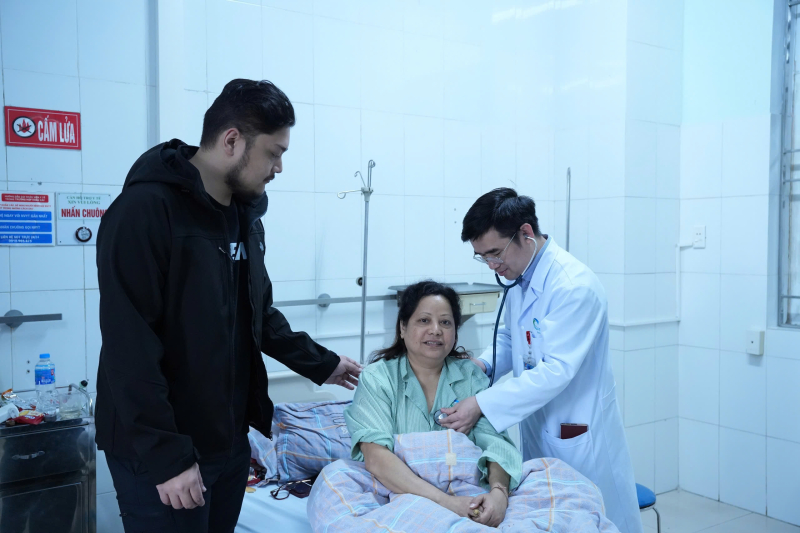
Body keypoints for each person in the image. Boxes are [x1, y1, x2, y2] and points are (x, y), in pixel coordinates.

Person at [95, 79, 362, 533]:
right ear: (232, 141)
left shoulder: (243, 217)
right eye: (274, 153)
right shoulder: (145, 211)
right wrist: (167, 456)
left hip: (228, 442)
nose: (279, 168)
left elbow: (259, 314)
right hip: (162, 449)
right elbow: (129, 345)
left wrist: (323, 363)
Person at [438, 188, 643, 533]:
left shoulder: (573, 287)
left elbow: (555, 370)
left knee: (592, 519)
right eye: (482, 258)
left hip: (578, 431)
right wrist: (483, 366)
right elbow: (512, 338)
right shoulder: (520, 277)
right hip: (540, 424)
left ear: (526, 233)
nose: (492, 265)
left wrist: (482, 403)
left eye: (495, 253)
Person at [344, 281, 522, 528]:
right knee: (334, 481)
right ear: (403, 327)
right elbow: (376, 458)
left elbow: (495, 444)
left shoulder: (470, 377)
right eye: (424, 320)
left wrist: (499, 494)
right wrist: (447, 503)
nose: (436, 330)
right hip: (399, 495)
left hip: (467, 492)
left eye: (445, 322)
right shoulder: (378, 379)